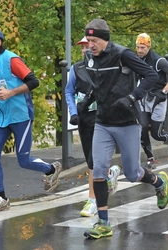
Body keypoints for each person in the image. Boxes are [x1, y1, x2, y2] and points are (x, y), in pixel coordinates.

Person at [80, 19, 168, 239]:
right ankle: (103, 223)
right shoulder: (91, 58)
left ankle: (160, 183)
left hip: (127, 122)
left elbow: (151, 76)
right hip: (103, 122)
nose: (90, 45)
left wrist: (132, 97)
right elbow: (98, 84)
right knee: (99, 170)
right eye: (88, 41)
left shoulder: (123, 54)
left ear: (105, 39)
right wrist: (87, 100)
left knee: (132, 173)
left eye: (94, 41)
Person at [0, 27, 62, 212]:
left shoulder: (11, 59)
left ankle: (51, 169)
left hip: (20, 115)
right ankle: (1, 197)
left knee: (24, 160)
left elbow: (33, 81)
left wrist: (11, 92)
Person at [65, 36, 121, 217]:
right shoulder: (76, 69)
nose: (87, 49)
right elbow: (69, 91)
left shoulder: (106, 65)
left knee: (93, 160)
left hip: (103, 117)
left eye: (90, 45)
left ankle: (92, 200)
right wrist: (73, 113)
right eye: (83, 46)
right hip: (84, 119)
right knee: (93, 160)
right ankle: (110, 174)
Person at [135, 33, 168, 169]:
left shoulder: (158, 61)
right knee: (142, 128)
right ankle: (151, 159)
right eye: (138, 47)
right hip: (144, 98)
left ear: (148, 47)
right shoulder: (137, 59)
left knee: (157, 134)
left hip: (158, 99)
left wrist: (164, 91)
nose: (139, 50)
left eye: (142, 47)